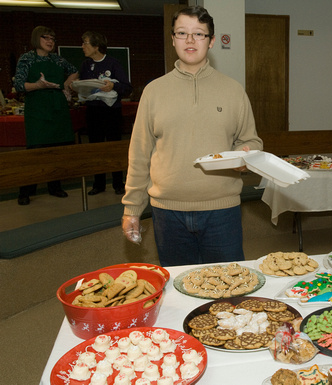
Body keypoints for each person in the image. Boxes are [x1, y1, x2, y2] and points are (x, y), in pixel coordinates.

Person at [121, 5, 263, 267]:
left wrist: (247, 153)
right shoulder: (154, 91)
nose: (189, 40)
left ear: (210, 41)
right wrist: (132, 208)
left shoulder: (233, 90)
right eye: (182, 33)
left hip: (222, 210)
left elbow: (250, 140)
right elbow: (139, 154)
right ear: (173, 39)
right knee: (179, 291)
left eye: (198, 34)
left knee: (228, 290)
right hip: (167, 211)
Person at [13, 26, 79, 206]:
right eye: (46, 38)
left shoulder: (57, 59)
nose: (50, 42)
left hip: (57, 109)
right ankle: (26, 191)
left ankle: (54, 187)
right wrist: (37, 85)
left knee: (56, 151)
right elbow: (19, 85)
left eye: (53, 39)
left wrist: (65, 85)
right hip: (37, 110)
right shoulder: (27, 59)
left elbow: (74, 71)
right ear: (36, 39)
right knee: (35, 152)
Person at [79, 31, 133, 195]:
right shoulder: (86, 66)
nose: (82, 46)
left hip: (111, 112)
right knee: (96, 148)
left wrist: (113, 87)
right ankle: (98, 184)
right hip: (93, 111)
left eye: (85, 43)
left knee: (113, 146)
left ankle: (118, 183)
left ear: (96, 46)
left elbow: (127, 87)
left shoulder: (113, 63)